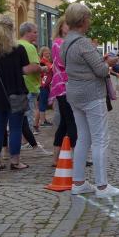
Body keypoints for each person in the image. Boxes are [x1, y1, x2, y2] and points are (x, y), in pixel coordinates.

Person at [61, 3, 119, 198]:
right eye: (88, 18)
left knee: (83, 138)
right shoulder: (83, 43)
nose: (90, 22)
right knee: (100, 139)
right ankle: (102, 186)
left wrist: (100, 61)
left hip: (74, 94)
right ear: (83, 20)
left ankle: (78, 182)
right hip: (91, 95)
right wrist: (109, 63)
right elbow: (100, 70)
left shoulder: (65, 42)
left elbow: (77, 65)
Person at [0, 15, 30, 170]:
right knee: (15, 128)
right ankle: (15, 161)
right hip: (17, 93)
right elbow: (25, 70)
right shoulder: (19, 49)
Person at [50, 16, 78, 166]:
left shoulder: (63, 42)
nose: (69, 27)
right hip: (64, 87)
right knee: (72, 122)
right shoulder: (59, 43)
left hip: (65, 86)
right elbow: (64, 63)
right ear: (61, 27)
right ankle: (75, 157)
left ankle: (56, 158)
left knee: (64, 124)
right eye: (67, 24)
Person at [35, 46, 53, 130]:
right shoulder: (42, 62)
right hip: (43, 86)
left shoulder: (48, 61)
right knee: (42, 103)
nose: (48, 53)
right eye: (46, 52)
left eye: (48, 52)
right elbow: (43, 73)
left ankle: (39, 123)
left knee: (42, 104)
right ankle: (42, 122)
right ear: (42, 53)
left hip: (45, 85)